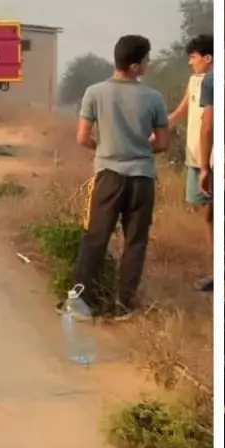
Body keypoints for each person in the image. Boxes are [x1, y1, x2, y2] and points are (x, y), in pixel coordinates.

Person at [71, 34, 169, 315]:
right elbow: (162, 144)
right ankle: (124, 304)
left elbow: (81, 138)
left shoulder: (95, 92)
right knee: (135, 242)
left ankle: (80, 302)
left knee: (95, 238)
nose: (148, 64)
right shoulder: (153, 98)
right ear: (136, 66)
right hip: (142, 178)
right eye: (147, 59)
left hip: (108, 177)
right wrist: (141, 145)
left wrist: (102, 148)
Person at [167, 34, 215, 291]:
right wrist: (158, 130)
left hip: (209, 160)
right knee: (207, 216)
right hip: (196, 157)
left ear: (208, 58)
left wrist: (207, 165)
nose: (190, 62)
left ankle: (216, 271)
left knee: (211, 214)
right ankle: (214, 270)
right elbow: (181, 111)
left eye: (194, 57)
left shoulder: (213, 81)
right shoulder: (195, 80)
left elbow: (208, 126)